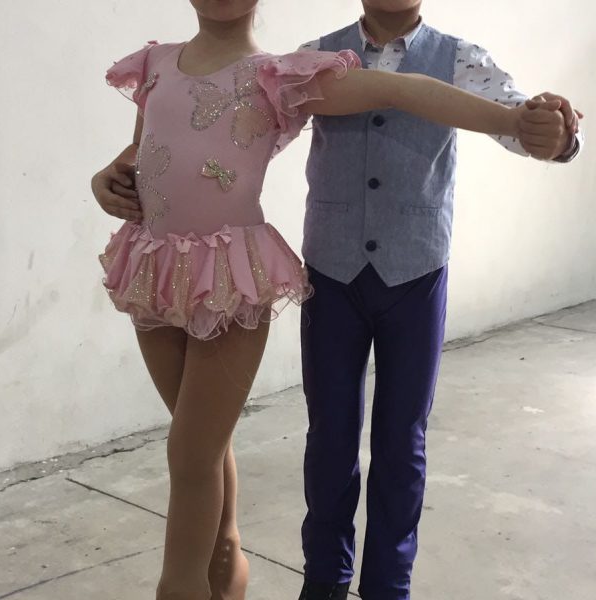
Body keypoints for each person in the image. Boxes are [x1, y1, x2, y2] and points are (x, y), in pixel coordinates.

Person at [91, 1, 563, 599]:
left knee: (209, 452)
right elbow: (143, 151)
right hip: (173, 270)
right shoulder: (172, 62)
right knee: (213, 441)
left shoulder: (285, 75)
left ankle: (207, 586)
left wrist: (519, 120)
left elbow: (405, 90)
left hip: (289, 276)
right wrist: (105, 178)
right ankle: (263, 566)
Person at [296, 1, 583, 599]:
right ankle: (324, 579)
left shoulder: (460, 58)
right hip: (331, 271)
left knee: (403, 440)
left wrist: (554, 133)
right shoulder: (313, 56)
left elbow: (521, 122)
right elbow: (251, 131)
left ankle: (388, 586)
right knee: (329, 435)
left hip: (416, 271)